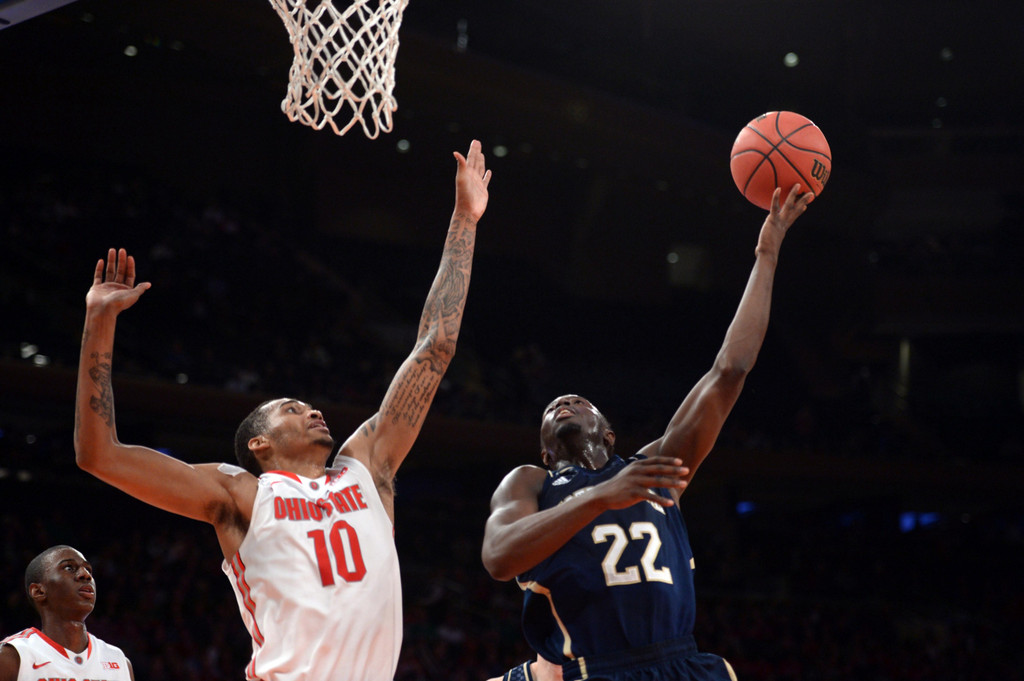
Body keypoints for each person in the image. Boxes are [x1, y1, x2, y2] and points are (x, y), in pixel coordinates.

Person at [73, 141, 492, 681]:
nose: (312, 409)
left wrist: (464, 219)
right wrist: (99, 321)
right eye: (292, 409)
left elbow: (434, 347)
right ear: (258, 444)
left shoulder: (368, 466)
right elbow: (99, 455)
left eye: (308, 404)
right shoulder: (240, 494)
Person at [481, 185, 813, 681]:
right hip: (593, 667)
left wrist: (767, 252)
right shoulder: (533, 483)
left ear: (608, 433)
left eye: (578, 402)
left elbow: (729, 372)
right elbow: (499, 556)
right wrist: (598, 498)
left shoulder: (653, 470)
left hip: (677, 662)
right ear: (546, 450)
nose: (564, 403)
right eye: (552, 408)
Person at [0, 545, 134, 681]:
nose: (86, 575)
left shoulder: (118, 661)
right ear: (39, 591)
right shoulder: (13, 656)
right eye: (69, 568)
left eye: (88, 570)